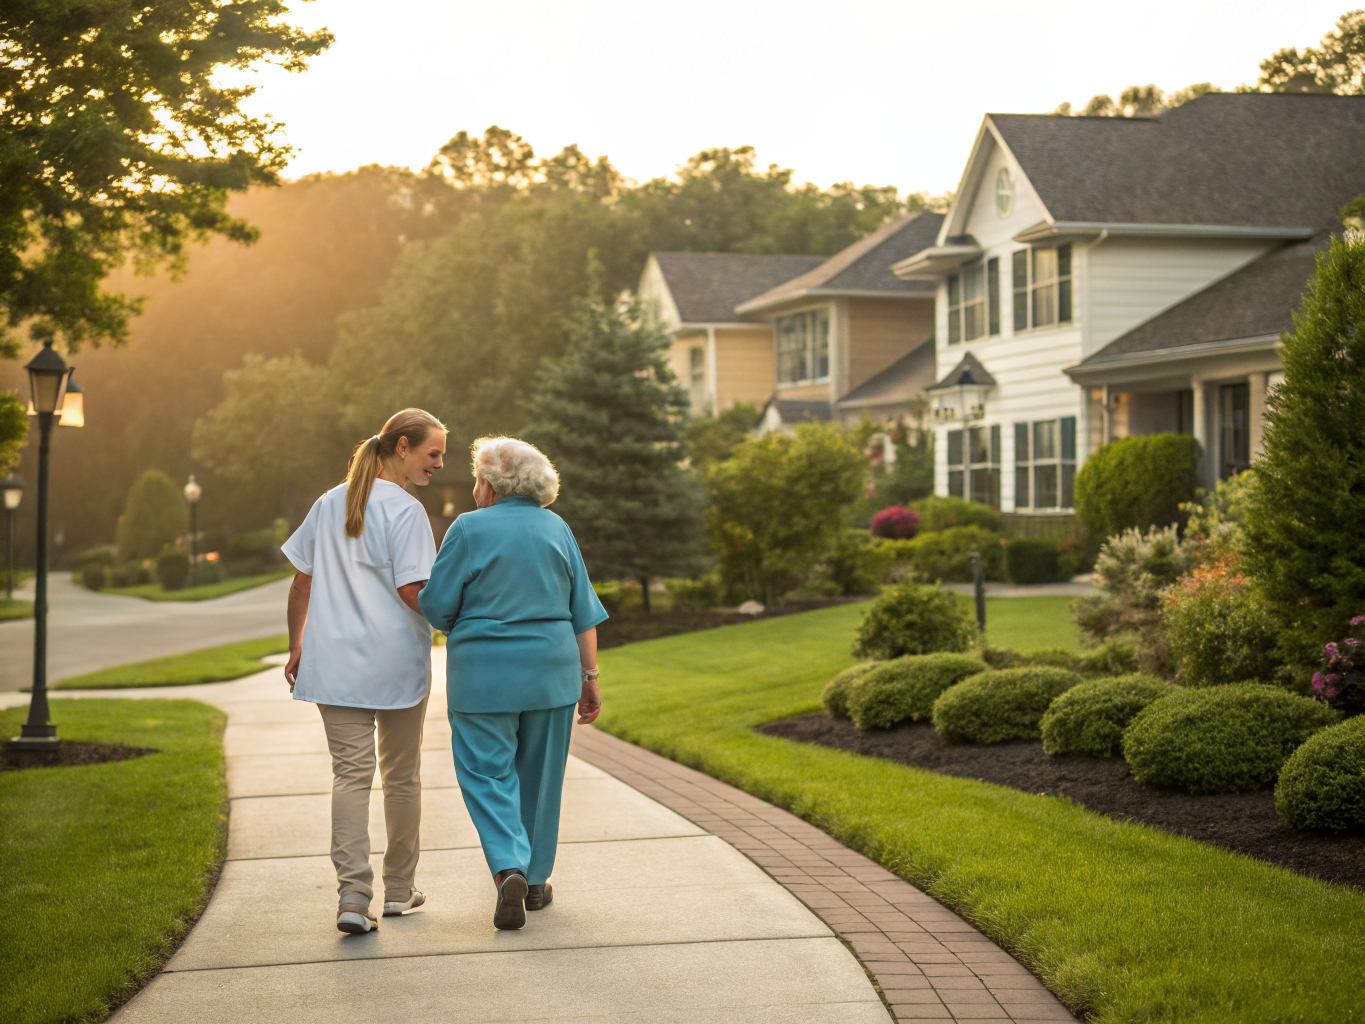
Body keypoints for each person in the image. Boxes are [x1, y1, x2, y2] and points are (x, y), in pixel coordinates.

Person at [419, 436, 608, 931]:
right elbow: (582, 613)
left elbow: (437, 606)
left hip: (483, 676)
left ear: (491, 483)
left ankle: (509, 868)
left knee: (485, 774)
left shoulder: (467, 529)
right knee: (542, 779)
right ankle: (538, 882)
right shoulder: (557, 528)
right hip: (552, 673)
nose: (476, 487)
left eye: (479, 477)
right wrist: (589, 678)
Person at [281, 408, 447, 935]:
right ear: (402, 446)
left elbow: (301, 584)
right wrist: (461, 621)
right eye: (433, 453)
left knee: (350, 779)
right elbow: (412, 591)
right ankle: (399, 892)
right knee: (401, 777)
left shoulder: (329, 502)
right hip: (395, 664)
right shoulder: (407, 511)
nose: (438, 464)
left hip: (334, 664)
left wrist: (296, 644)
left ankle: (353, 898)